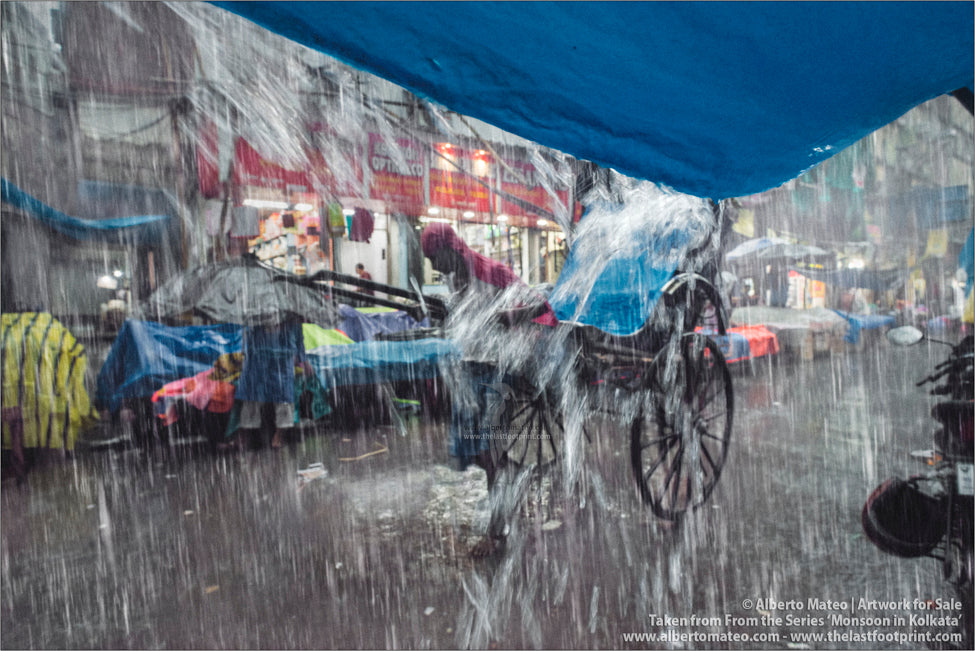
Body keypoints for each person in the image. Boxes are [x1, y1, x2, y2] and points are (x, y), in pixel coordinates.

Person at [421, 222, 558, 557]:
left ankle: (498, 529)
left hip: (501, 371)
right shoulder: (452, 280)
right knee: (472, 449)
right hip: (470, 369)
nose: (434, 267)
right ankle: (504, 485)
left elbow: (542, 306)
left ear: (452, 250)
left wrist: (514, 315)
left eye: (435, 258)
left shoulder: (492, 273)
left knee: (490, 448)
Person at [234, 319, 306, 449]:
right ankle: (248, 435)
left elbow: (299, 341)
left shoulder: (292, 320)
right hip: (258, 362)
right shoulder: (255, 318)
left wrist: (302, 359)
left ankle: (278, 435)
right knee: (252, 400)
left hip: (282, 363)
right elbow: (247, 341)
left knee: (284, 400)